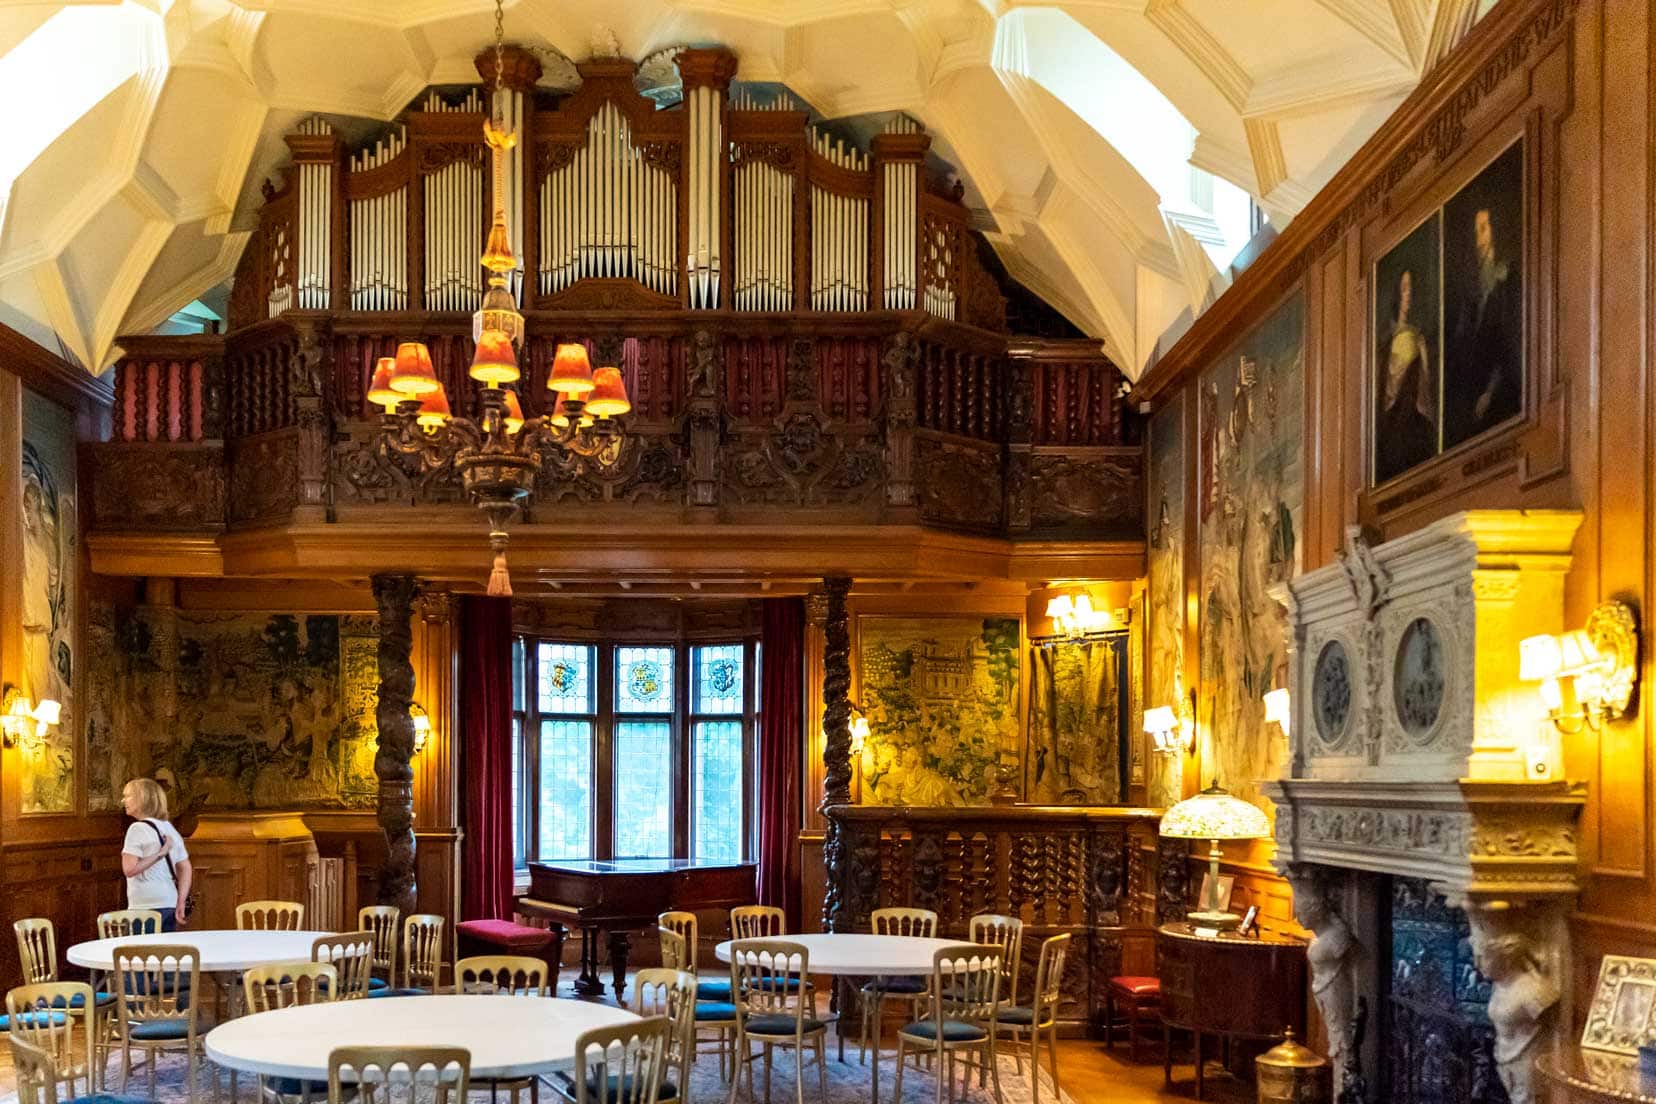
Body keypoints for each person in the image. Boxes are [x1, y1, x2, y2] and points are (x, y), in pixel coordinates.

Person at [1377, 267, 1437, 482]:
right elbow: (1388, 392)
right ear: (1396, 294)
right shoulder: (1389, 344)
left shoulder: (1416, 337)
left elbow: (1426, 388)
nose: (1408, 293)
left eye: (1411, 288)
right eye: (1404, 288)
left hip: (1414, 425)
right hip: (1395, 429)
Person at [120, 778, 192, 931]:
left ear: (143, 798)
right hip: (169, 903)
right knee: (164, 953)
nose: (123, 800)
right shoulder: (169, 828)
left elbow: (129, 870)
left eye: (128, 796)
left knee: (139, 953)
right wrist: (181, 901)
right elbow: (185, 868)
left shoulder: (136, 829)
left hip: (144, 908)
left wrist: (160, 854)